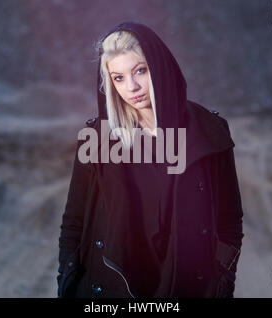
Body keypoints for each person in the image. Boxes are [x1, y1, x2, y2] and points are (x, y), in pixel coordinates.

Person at [57, 21, 244, 298]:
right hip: (110, 289)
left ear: (160, 68)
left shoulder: (209, 130)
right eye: (118, 78)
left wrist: (221, 282)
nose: (131, 87)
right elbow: (74, 220)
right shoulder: (97, 138)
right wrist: (67, 283)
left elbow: (229, 219)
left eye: (140, 71)